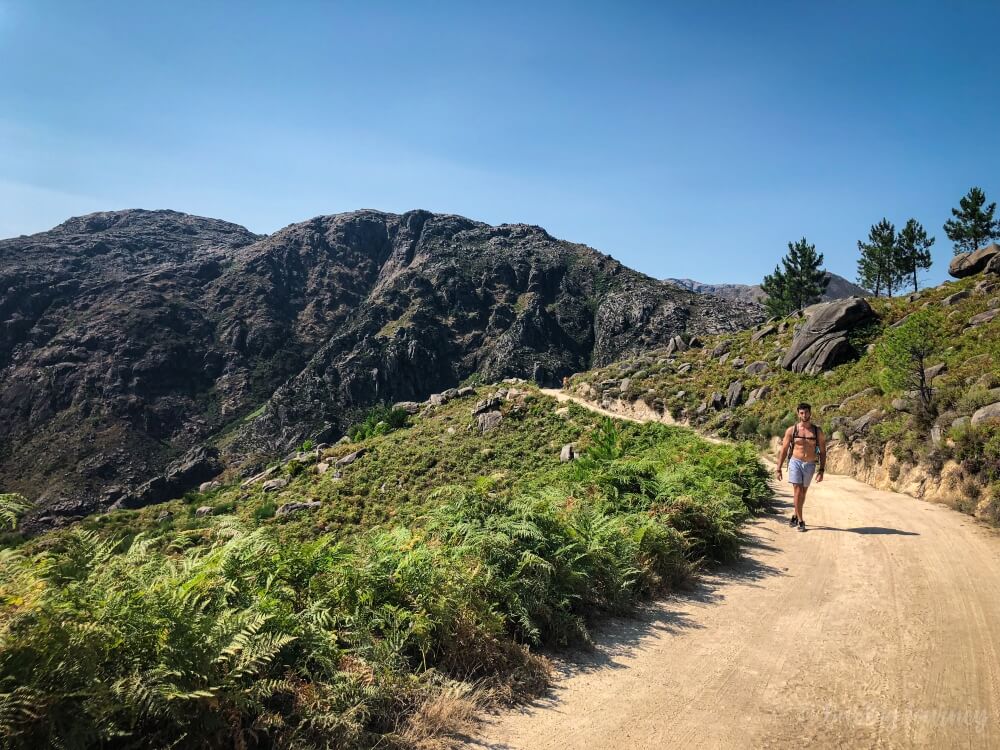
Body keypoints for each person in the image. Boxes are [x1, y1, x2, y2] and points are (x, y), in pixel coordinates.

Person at [775, 402, 826, 532]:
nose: (804, 415)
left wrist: (821, 470)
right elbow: (784, 450)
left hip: (810, 464)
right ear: (798, 414)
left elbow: (822, 451)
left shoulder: (817, 431)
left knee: (803, 493)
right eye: (802, 413)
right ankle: (801, 521)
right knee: (797, 490)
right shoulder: (792, 430)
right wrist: (778, 468)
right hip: (795, 462)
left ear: (810, 413)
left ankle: (795, 514)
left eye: (806, 412)